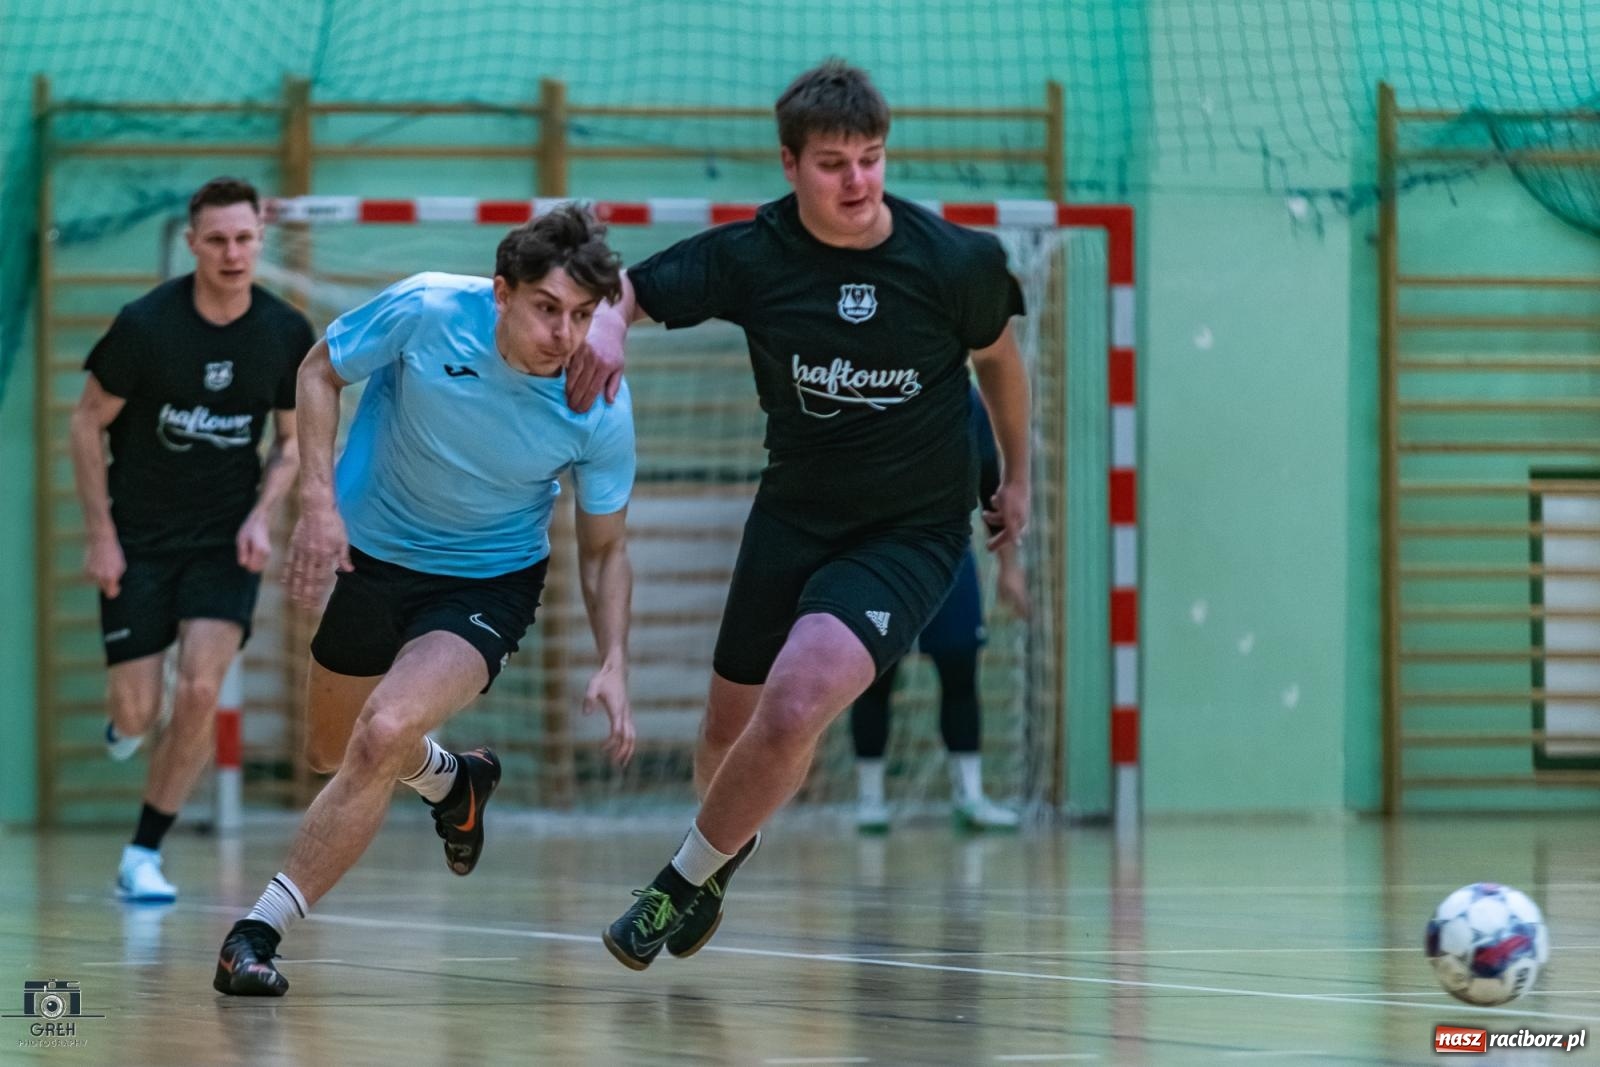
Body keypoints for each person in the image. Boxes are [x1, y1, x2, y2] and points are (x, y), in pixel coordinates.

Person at [573, 59, 1031, 971]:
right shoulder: (755, 255)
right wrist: (612, 324)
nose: (857, 180)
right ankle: (717, 860)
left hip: (910, 531)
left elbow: (1002, 365)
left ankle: (677, 880)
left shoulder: (955, 263)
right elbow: (635, 289)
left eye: (871, 158)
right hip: (793, 513)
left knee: (792, 703)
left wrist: (1016, 476)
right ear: (790, 164)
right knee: (724, 730)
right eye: (834, 163)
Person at [212, 205, 638, 997]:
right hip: (371, 557)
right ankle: (452, 780)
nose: (565, 335)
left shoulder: (599, 405)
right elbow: (318, 369)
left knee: (383, 730)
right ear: (502, 292)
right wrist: (317, 505)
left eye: (582, 316)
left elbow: (607, 547)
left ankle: (256, 929)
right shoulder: (429, 308)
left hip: (487, 583)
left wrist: (614, 656)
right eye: (547, 309)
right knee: (331, 752)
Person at [70, 177, 313, 903]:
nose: (232, 252)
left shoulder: (283, 332)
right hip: (138, 541)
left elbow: (291, 442)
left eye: (244, 238)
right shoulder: (146, 326)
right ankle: (129, 721)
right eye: (217, 239)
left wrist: (260, 513)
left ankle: (143, 851)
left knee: (202, 688)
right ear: (192, 243)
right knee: (139, 711)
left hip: (221, 543)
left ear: (261, 239)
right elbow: (85, 425)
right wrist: (101, 536)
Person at [851, 387, 1030, 834]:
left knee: (959, 668)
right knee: (874, 674)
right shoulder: (869, 396)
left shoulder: (964, 401)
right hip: (879, 556)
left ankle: (970, 796)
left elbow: (992, 487)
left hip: (946, 556)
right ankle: (869, 800)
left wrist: (1009, 567)